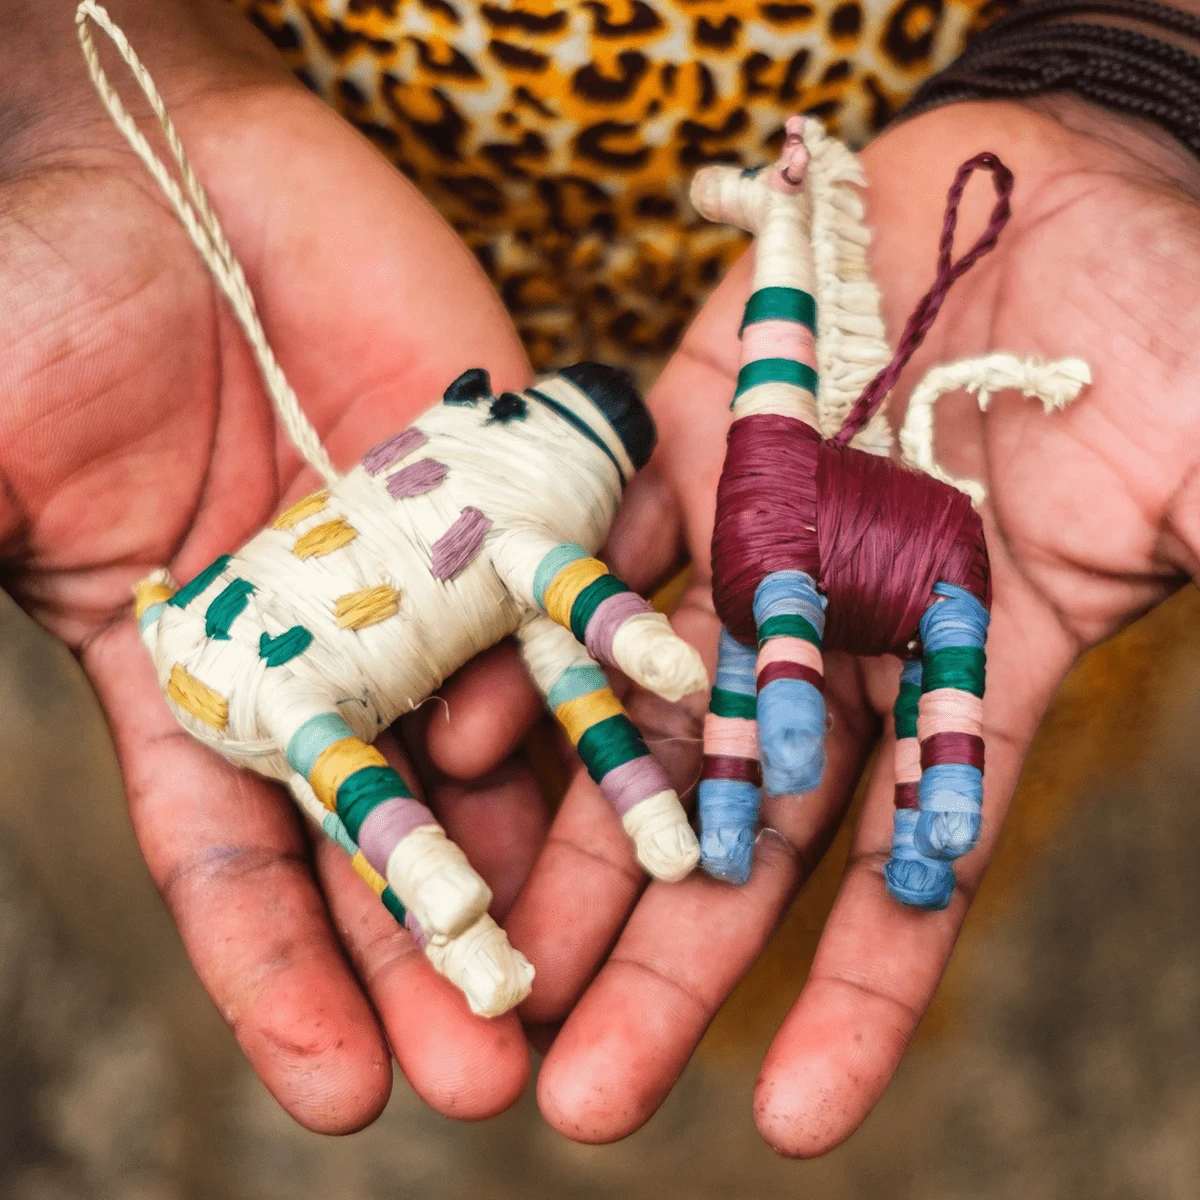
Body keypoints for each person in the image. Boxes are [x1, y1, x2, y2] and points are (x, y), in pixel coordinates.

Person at [3, 0, 1199, 1156]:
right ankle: (602, 872)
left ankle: (872, 826)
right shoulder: (515, 494)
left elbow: (589, 618)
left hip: (926, 106)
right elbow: (584, 625)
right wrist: (96, 67)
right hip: (364, 214)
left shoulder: (570, 511)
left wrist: (1134, 69)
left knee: (831, 730)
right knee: (642, 707)